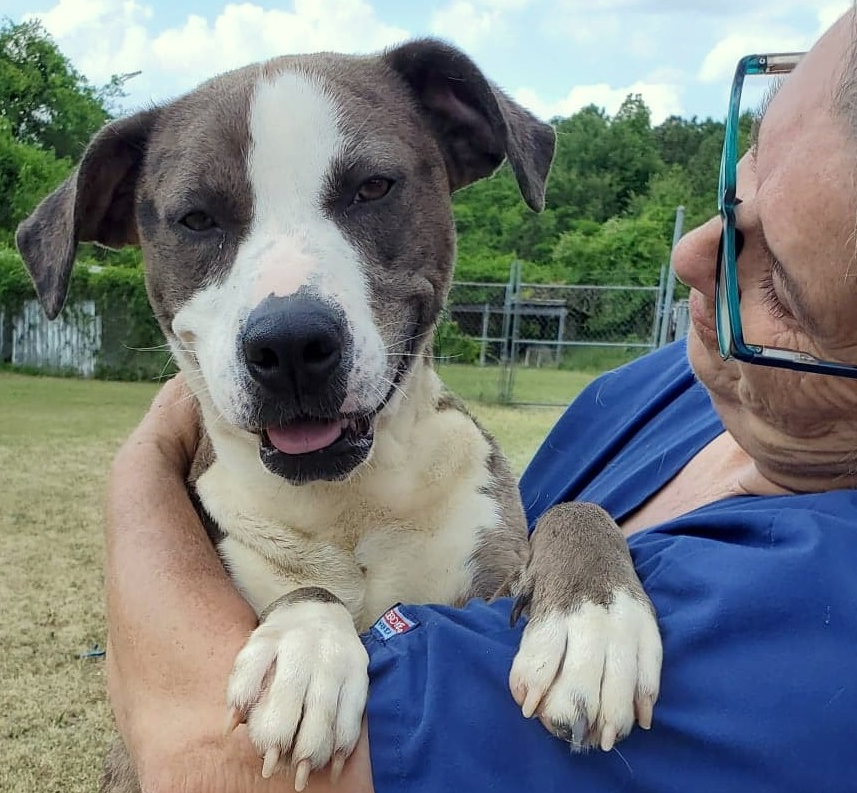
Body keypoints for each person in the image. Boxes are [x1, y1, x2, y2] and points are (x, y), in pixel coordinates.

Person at [102, 9, 857, 792]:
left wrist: (146, 461)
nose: (692, 255)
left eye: (368, 189)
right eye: (746, 170)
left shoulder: (820, 633)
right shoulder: (650, 387)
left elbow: (204, 761)